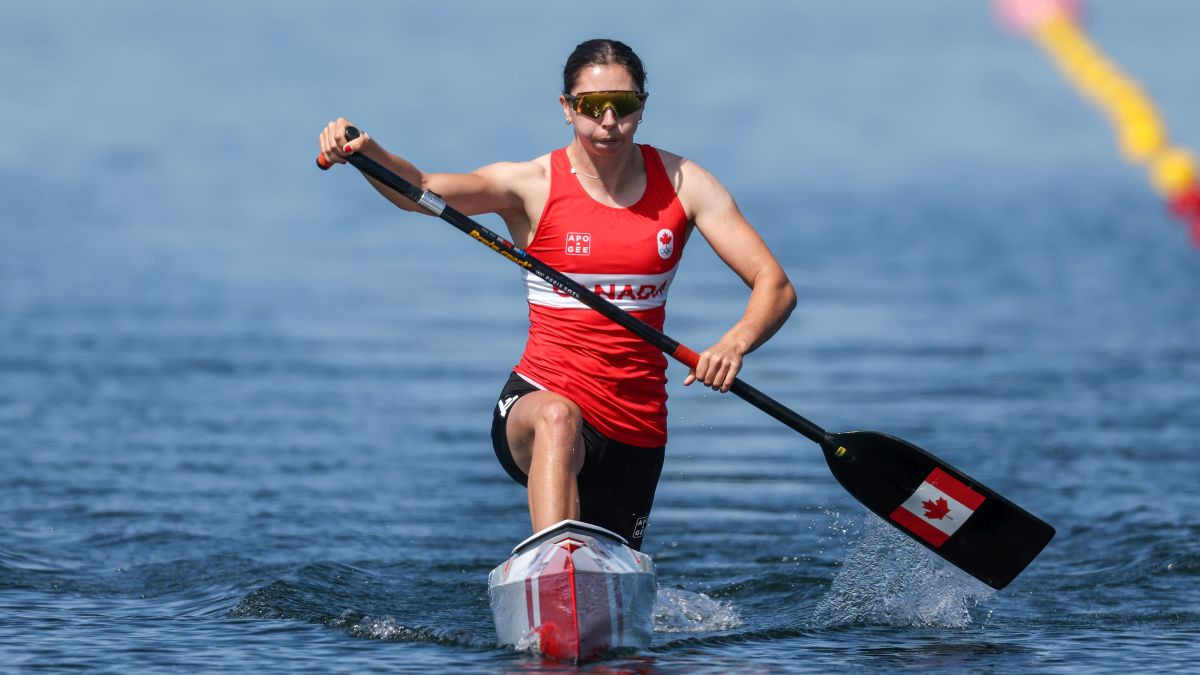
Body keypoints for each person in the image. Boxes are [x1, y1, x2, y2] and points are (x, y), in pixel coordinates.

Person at [318, 38, 795, 551]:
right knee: (558, 416)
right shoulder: (532, 185)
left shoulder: (686, 184)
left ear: (643, 107)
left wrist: (734, 344)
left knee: (607, 582)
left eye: (626, 105)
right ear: (567, 109)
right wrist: (363, 150)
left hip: (636, 424)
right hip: (537, 399)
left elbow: (775, 284)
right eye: (592, 106)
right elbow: (421, 189)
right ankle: (552, 563)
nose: (609, 120)